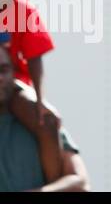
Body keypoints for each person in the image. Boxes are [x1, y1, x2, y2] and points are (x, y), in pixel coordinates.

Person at [0, 45, 88, 192]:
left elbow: (80, 184)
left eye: (4, 70)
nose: (0, 78)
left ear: (14, 73)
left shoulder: (40, 122)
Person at [0, 0, 55, 125]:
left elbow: (34, 59)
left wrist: (40, 100)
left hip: (14, 83)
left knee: (45, 123)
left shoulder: (24, 12)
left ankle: (57, 152)